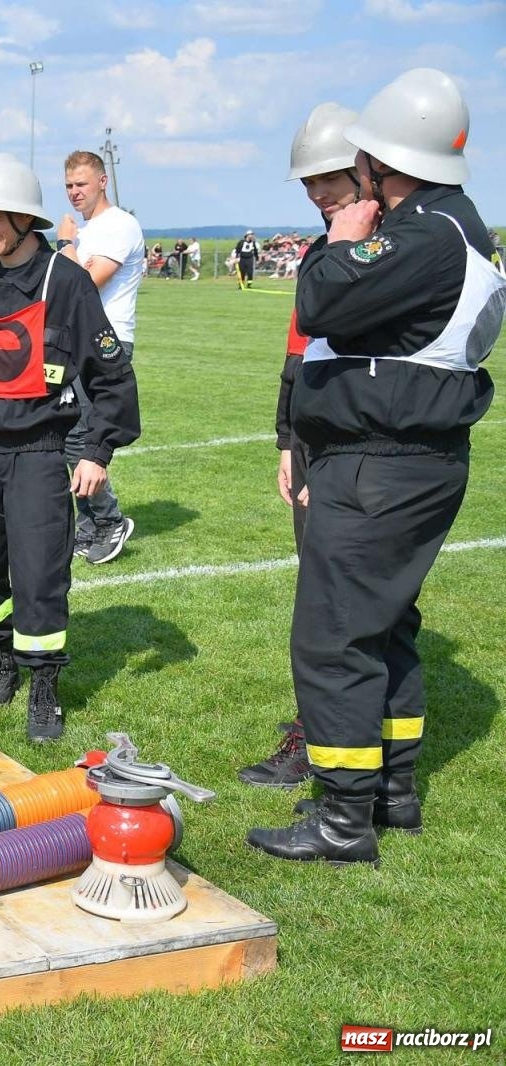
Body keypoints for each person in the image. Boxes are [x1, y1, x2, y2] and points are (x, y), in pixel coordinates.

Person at [248, 69, 502, 866]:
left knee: (334, 642)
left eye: (362, 170)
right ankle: (391, 791)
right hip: (406, 463)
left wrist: (343, 237)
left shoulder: (424, 233)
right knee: (385, 633)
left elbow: (319, 302)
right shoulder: (453, 226)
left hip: (379, 469)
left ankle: (341, 820)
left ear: (385, 163)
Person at [0, 153, 141, 743]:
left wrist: (97, 451)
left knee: (41, 573)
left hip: (42, 452)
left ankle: (43, 686)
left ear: (26, 221)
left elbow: (111, 376)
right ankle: (0, 658)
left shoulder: (66, 283)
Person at [238, 102, 364, 790]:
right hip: (317, 443)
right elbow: (302, 357)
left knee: (345, 604)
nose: (318, 194)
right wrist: (290, 440)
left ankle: (338, 748)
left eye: (330, 178)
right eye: (308, 183)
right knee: (318, 596)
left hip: (359, 449)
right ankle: (317, 735)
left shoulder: (380, 249)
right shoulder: (323, 251)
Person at [56, 149, 144, 565]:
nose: (75, 192)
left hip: (107, 345)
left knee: (86, 439)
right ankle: (89, 526)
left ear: (102, 181)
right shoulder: (90, 231)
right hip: (76, 343)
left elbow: (84, 285)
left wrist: (66, 245)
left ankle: (110, 521)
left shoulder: (119, 225)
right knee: (70, 437)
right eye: (69, 186)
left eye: (82, 184)